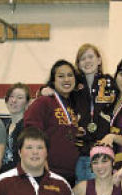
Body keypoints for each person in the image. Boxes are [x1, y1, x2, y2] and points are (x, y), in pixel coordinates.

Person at [24, 59, 80, 187]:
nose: (66, 79)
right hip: (48, 172)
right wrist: (41, 164)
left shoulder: (74, 104)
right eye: (61, 76)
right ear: (53, 81)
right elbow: (31, 133)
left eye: (70, 75)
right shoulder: (43, 102)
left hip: (72, 174)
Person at [73, 43, 116, 182]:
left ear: (99, 60)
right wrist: (43, 90)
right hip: (78, 152)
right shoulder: (73, 85)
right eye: (83, 58)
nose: (87, 61)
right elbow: (54, 84)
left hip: (102, 153)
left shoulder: (109, 82)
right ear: (78, 64)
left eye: (90, 56)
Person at [0, 82, 30, 173]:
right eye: (11, 97)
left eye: (20, 98)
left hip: (20, 178)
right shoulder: (3, 125)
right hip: (2, 177)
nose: (14, 100)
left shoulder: (28, 127)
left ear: (27, 103)